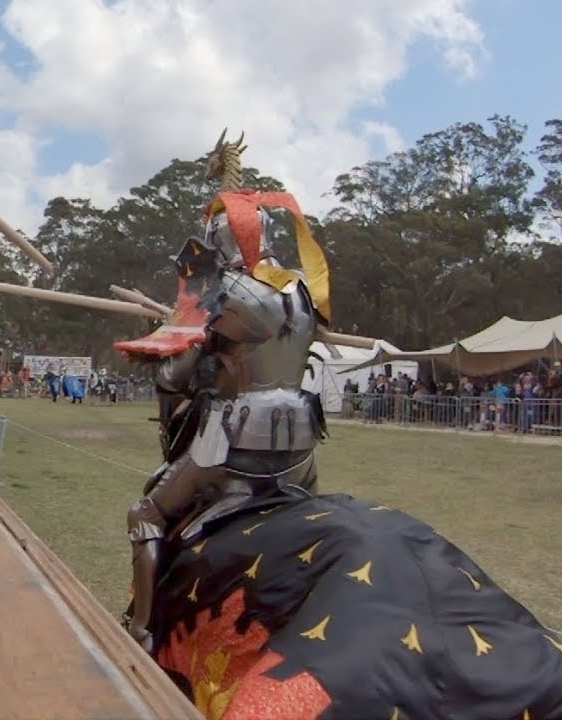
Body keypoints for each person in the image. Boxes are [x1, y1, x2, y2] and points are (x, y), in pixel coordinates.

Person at [120, 135, 332, 653]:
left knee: (145, 513)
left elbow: (176, 380)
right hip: (301, 442)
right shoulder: (300, 288)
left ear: (221, 241)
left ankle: (143, 631)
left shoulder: (228, 292)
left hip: (234, 442)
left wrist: (165, 342)